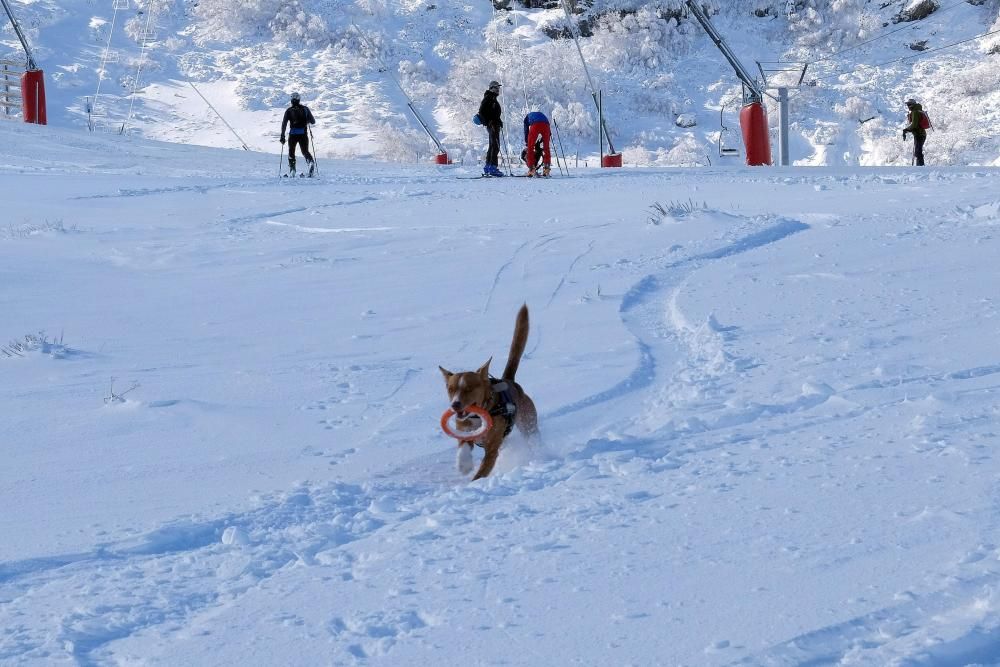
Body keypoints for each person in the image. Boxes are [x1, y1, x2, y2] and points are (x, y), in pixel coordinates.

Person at [280, 92, 317, 177]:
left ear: (291, 100)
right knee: (305, 151)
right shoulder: (306, 109)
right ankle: (310, 162)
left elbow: (284, 124)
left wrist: (282, 136)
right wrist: (306, 121)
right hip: (303, 134)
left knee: (291, 151)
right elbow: (313, 121)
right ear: (299, 99)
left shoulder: (289, 110)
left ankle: (292, 170)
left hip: (293, 135)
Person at [478, 81, 504, 177]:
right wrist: (489, 122)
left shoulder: (492, 98)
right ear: (492, 88)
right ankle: (492, 167)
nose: (498, 90)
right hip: (492, 125)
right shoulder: (489, 98)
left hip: (494, 124)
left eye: (498, 88)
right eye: (497, 88)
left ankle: (488, 166)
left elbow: (493, 113)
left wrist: (498, 121)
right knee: (495, 145)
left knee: (492, 145)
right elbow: (481, 111)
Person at [522, 110, 551, 177]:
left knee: (530, 148)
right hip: (546, 125)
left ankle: (532, 169)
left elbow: (526, 130)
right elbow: (549, 132)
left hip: (536, 125)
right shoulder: (542, 115)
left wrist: (527, 142)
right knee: (546, 148)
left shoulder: (527, 118)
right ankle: (546, 169)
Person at [902, 98, 927, 167]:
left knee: (918, 152)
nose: (908, 106)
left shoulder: (915, 112)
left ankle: (921, 167)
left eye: (909, 104)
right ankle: (920, 166)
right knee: (918, 151)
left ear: (912, 105)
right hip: (920, 134)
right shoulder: (917, 110)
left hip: (919, 134)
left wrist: (906, 130)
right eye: (907, 104)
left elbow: (914, 124)